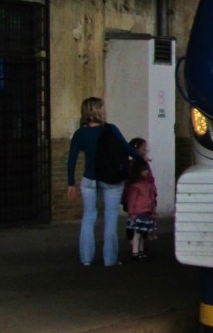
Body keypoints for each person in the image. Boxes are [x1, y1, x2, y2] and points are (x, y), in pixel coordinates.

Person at [66, 97, 139, 266]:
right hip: (111, 179)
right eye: (101, 108)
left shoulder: (80, 134)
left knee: (88, 216)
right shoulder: (111, 129)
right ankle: (110, 259)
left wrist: (70, 183)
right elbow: (126, 148)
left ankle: (86, 258)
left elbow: (72, 160)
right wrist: (140, 158)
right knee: (111, 217)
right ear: (97, 111)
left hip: (89, 180)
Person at [122, 147, 158, 260]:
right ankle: (136, 251)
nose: (147, 171)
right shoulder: (136, 186)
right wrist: (132, 212)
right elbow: (132, 200)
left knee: (142, 233)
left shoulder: (146, 185)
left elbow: (151, 199)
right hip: (138, 212)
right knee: (138, 233)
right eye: (144, 169)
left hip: (146, 212)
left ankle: (140, 250)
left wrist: (153, 210)